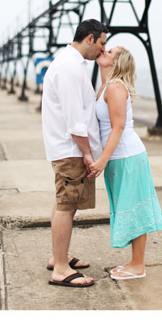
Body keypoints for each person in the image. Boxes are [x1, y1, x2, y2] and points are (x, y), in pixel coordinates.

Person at [88, 46, 162, 280]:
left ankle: (138, 265)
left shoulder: (114, 88)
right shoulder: (105, 86)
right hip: (118, 157)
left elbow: (118, 127)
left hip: (127, 156)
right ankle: (134, 262)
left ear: (116, 62)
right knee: (127, 207)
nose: (104, 50)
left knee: (135, 208)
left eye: (110, 51)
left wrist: (101, 160)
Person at [42, 19, 107, 288]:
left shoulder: (72, 64)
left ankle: (59, 257)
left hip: (67, 149)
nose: (103, 49)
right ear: (90, 38)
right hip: (71, 150)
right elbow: (74, 120)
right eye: (102, 43)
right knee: (67, 206)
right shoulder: (69, 67)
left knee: (63, 203)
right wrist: (88, 154)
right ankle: (60, 269)